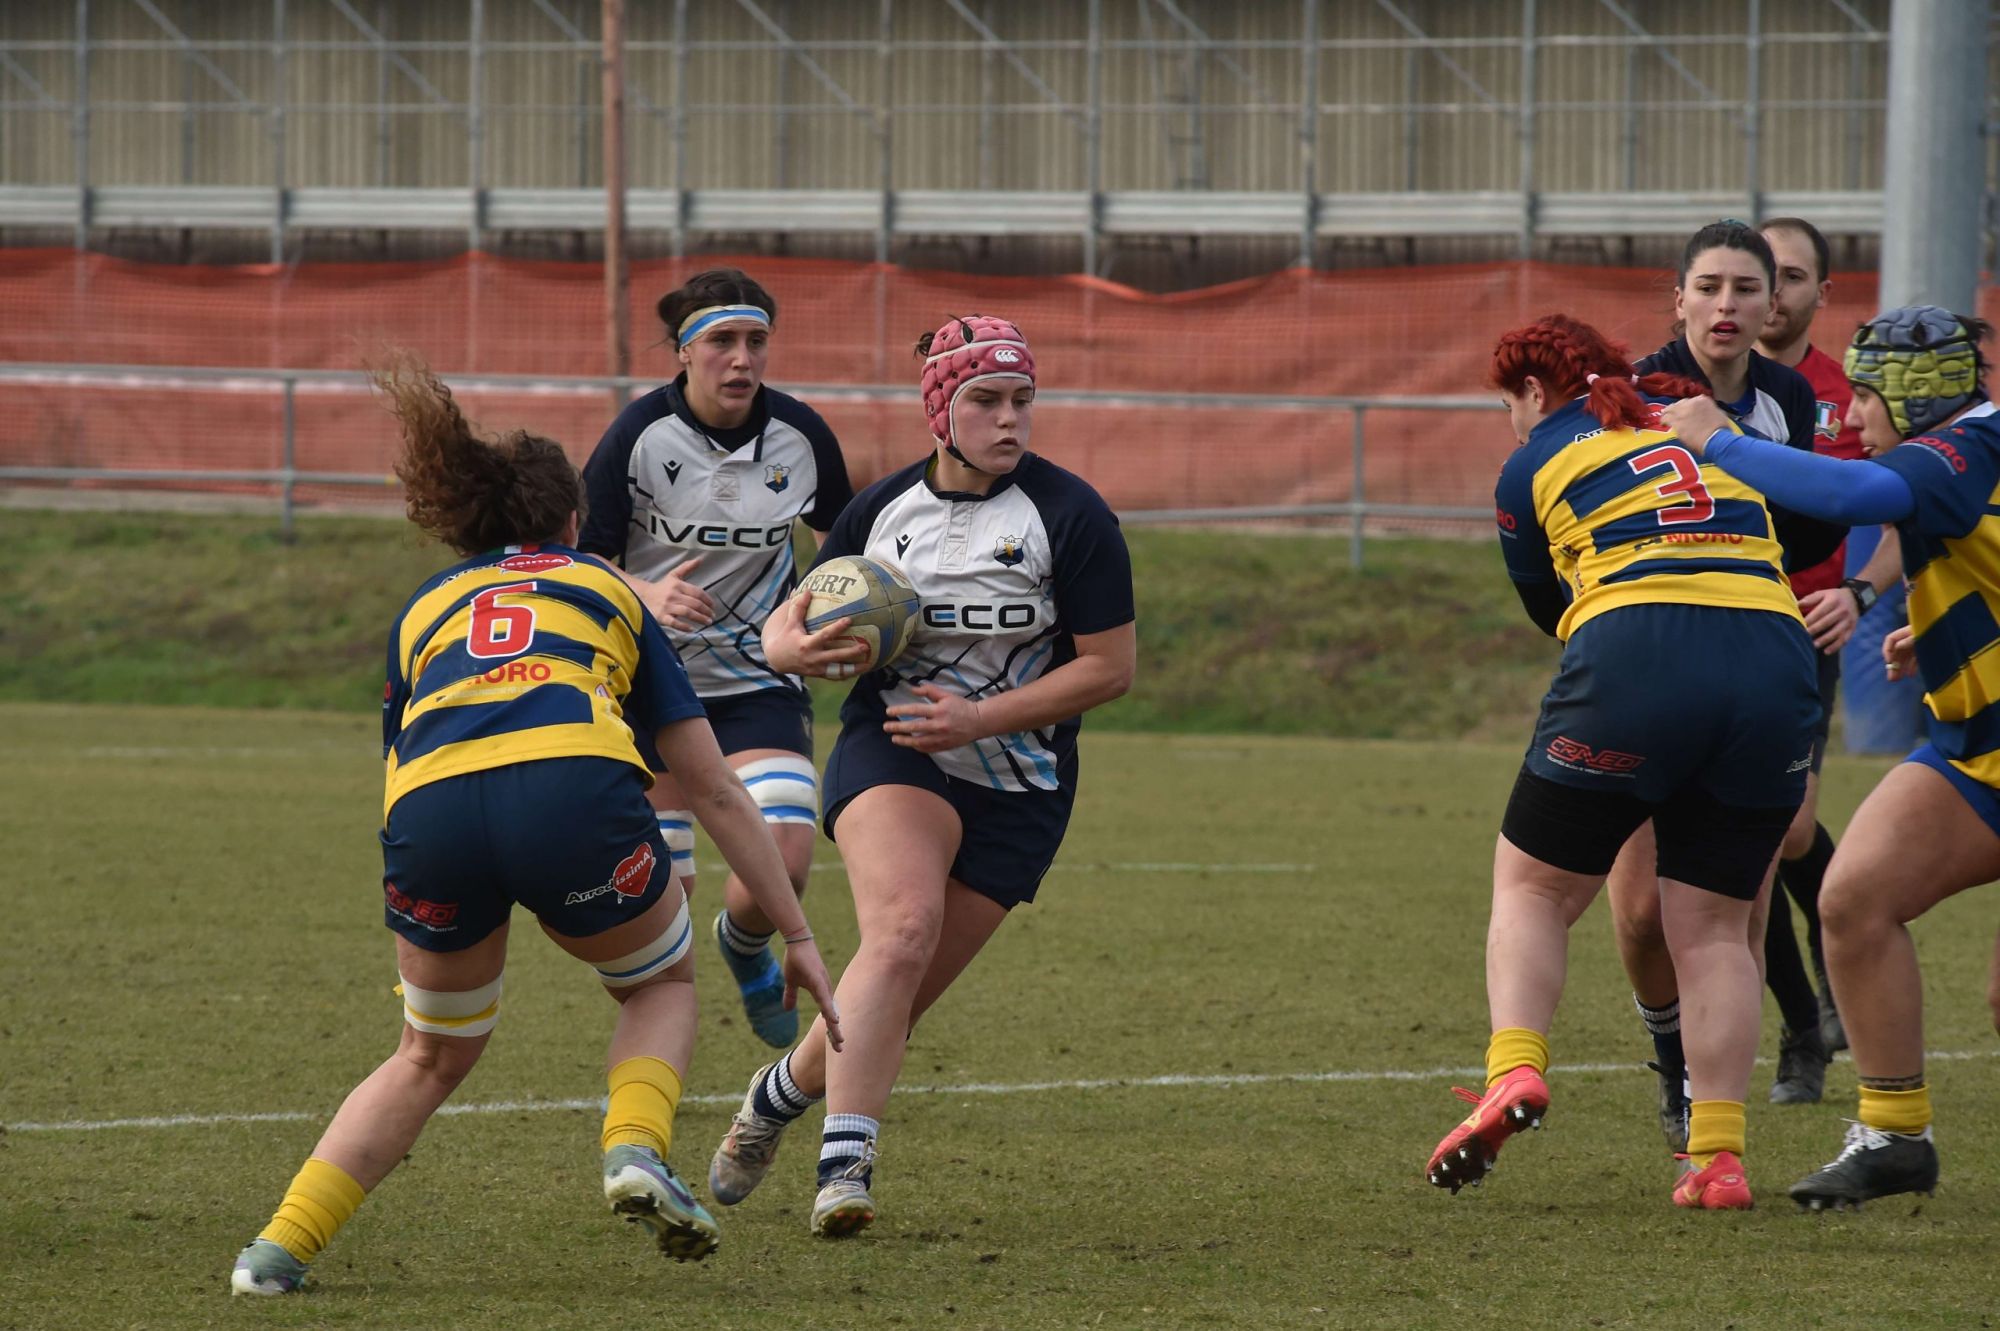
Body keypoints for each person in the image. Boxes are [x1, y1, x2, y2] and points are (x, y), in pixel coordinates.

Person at [228, 354, 842, 1295]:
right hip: (566, 799)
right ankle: (634, 1149)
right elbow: (713, 788)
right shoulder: (610, 592)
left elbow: (403, 757)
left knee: (428, 1053)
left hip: (430, 815)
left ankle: (276, 1251)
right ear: (573, 525)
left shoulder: (423, 607)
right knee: (661, 985)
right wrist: (794, 931)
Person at [703, 314, 1136, 1238]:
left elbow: (1110, 668)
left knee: (893, 991)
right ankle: (845, 1165)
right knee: (898, 931)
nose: (1010, 419)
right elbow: (788, 622)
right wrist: (792, 649)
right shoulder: (880, 512)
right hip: (893, 751)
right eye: (985, 399)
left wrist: (979, 717)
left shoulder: (1074, 515)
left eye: (1023, 399)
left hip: (1020, 786)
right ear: (940, 406)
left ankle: (774, 1099)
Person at [1425, 314, 1820, 1211]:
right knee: (1717, 930)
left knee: (1533, 887)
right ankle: (1718, 1157)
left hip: (1639, 647)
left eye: (1507, 405)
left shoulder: (1533, 461)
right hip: (1775, 655)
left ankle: (1513, 1070)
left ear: (1532, 393)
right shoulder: (1699, 423)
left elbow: (1545, 604)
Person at [1659, 305, 1994, 1208]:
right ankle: (1893, 1136)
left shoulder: (1960, 450)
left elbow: (1845, 500)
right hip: (1975, 753)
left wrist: (1719, 438)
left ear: (1915, 402)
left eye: (1866, 399)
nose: (1847, 417)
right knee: (1853, 899)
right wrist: (1949, 630)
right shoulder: (1962, 454)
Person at [1601, 219, 1843, 1154]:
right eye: (1710, 287)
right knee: (1636, 908)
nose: (1729, 305)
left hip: (1756, 663)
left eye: (1748, 289)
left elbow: (1814, 533)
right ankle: (1672, 1060)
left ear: (1773, 304)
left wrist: (1752, 471)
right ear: (1679, 299)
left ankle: (1718, 1104)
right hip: (1645, 661)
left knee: (1736, 894)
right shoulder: (1629, 391)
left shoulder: (1785, 395)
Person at [579, 267, 854, 1051]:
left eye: (756, 341)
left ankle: (743, 942)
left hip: (758, 681)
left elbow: (842, 554)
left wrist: (838, 620)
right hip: (648, 690)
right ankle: (659, 1047)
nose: (742, 358)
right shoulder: (636, 437)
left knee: (790, 859)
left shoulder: (801, 437)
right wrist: (646, 594)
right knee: (662, 900)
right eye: (723, 341)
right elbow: (581, 560)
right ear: (684, 352)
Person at [1754, 216, 1903, 1097]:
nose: (1770, 292)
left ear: (1821, 294)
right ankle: (1802, 1028)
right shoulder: (1693, 388)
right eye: (1755, 273)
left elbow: (1904, 518)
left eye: (1791, 276)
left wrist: (1857, 593)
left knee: (1786, 829)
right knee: (1743, 843)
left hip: (1798, 631)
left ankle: (1832, 939)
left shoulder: (1844, 396)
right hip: (1705, 629)